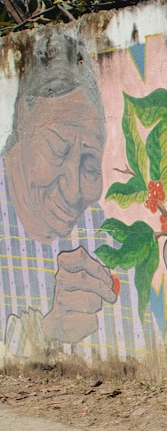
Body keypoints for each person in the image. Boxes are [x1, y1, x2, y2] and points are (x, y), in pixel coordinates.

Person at [0, 34, 147, 361]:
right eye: (56, 148)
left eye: (90, 164)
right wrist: (46, 330)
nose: (73, 190)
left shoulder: (103, 237)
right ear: (24, 118)